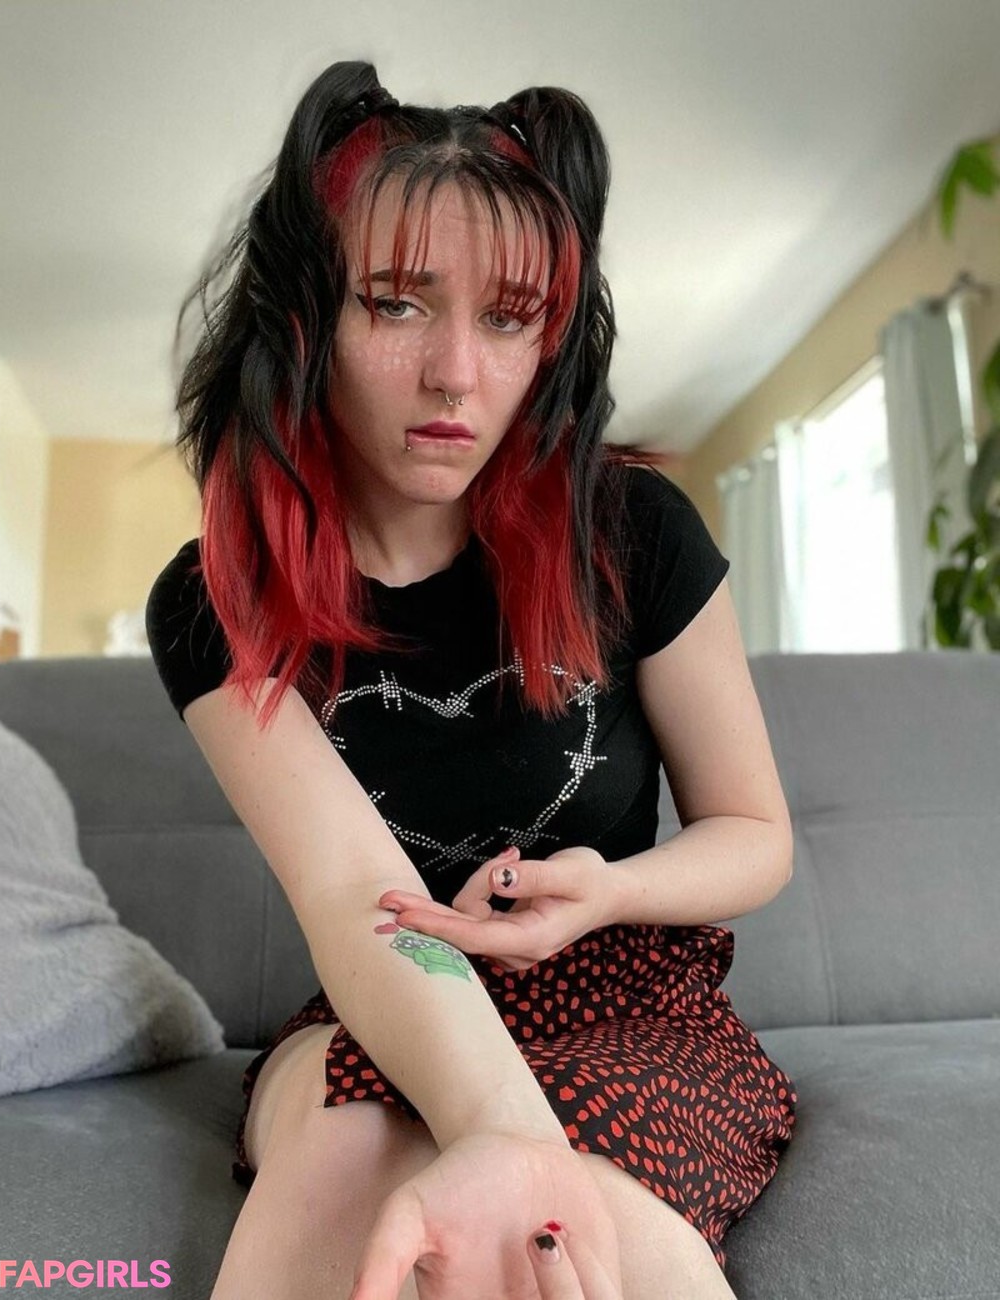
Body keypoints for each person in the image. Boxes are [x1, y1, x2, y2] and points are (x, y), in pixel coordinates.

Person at [144, 59, 797, 1300]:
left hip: (623, 990)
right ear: (307, 322)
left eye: (507, 318)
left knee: (580, 1212)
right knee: (345, 1143)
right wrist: (498, 1127)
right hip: (390, 990)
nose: (456, 373)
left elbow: (755, 836)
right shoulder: (219, 595)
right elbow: (354, 893)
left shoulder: (634, 532)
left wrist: (609, 890)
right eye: (396, 304)